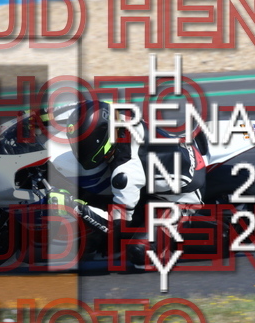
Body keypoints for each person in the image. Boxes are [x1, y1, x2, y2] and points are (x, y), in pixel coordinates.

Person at [46, 100, 207, 266]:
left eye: (82, 143)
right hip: (174, 156)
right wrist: (43, 116)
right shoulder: (118, 118)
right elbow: (88, 107)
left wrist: (74, 206)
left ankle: (180, 235)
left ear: (98, 139)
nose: (77, 148)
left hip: (184, 193)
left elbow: (115, 225)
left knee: (138, 253)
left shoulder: (126, 173)